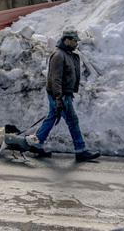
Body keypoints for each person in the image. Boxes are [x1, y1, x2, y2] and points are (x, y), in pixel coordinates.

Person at [27, 26, 100, 162]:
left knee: (51, 118)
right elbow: (55, 79)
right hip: (60, 95)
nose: (76, 43)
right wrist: (59, 98)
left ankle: (36, 143)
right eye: (74, 41)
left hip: (62, 94)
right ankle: (81, 150)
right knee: (72, 121)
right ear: (66, 40)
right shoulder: (59, 55)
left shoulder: (68, 54)